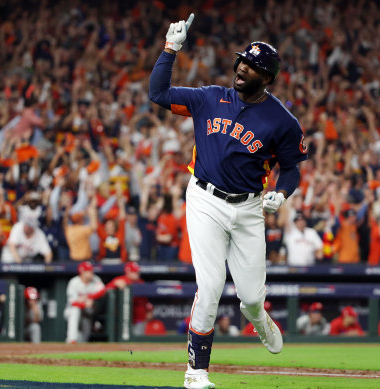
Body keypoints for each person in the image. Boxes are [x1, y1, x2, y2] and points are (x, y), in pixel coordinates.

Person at [149, 14, 307, 388]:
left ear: (266, 79)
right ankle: (196, 373)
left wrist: (281, 195)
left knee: (251, 298)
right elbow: (158, 93)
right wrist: (170, 49)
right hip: (205, 200)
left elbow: (293, 168)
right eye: (242, 61)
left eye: (252, 67)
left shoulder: (283, 120)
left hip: (250, 208)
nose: (242, 68)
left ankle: (259, 318)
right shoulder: (209, 98)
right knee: (211, 287)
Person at [64, 261, 106, 344]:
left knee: (84, 338)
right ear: (82, 272)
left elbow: (103, 291)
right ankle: (71, 339)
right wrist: (84, 303)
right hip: (71, 311)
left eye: (91, 270)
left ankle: (80, 345)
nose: (91, 273)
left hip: (88, 312)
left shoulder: (96, 279)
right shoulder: (74, 282)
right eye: (89, 271)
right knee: (75, 310)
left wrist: (89, 297)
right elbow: (72, 302)